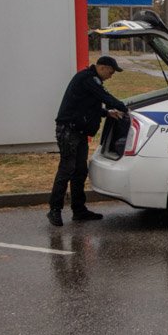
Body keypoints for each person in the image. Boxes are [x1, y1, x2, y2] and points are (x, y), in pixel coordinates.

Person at [47, 55, 128, 226]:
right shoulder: (88, 79)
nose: (111, 76)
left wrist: (107, 113)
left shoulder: (91, 80)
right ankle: (54, 210)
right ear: (103, 67)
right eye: (111, 72)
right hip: (68, 130)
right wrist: (126, 108)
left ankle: (79, 210)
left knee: (80, 171)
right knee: (67, 169)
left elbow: (88, 105)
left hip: (79, 131)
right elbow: (106, 98)